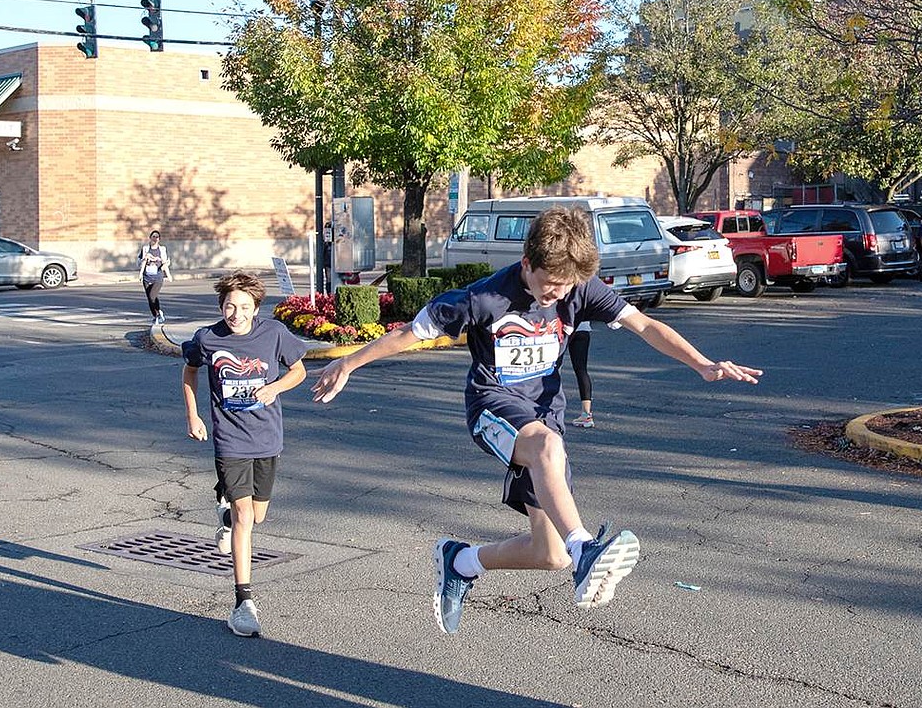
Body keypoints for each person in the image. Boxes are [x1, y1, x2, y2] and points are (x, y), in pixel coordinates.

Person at [312, 207, 762, 636]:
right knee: (548, 453)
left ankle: (460, 562)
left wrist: (701, 364)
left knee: (549, 554)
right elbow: (409, 334)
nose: (558, 296)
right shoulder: (483, 299)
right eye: (550, 285)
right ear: (527, 263)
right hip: (493, 408)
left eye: (566, 288)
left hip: (547, 416)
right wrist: (350, 363)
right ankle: (586, 548)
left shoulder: (579, 288)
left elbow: (644, 325)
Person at [181, 271, 308, 638]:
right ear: (221, 306)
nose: (235, 314)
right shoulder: (207, 338)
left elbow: (298, 370)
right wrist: (193, 415)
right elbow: (189, 373)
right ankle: (243, 603)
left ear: (256, 309)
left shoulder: (273, 334)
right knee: (244, 518)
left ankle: (224, 509)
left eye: (243, 308)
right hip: (230, 439)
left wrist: (275, 388)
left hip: (267, 438)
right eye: (229, 307)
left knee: (258, 515)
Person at [138, 229, 170, 323]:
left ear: (159, 239)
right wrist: (145, 259)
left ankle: (158, 314)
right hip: (147, 276)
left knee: (152, 296)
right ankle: (156, 315)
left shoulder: (162, 249)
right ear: (150, 238)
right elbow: (139, 262)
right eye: (153, 236)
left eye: (157, 237)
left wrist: (167, 270)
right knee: (150, 298)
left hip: (158, 276)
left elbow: (166, 262)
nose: (155, 238)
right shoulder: (145, 249)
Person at [568, 321, 595, 428]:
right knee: (581, 370)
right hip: (583, 328)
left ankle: (547, 412)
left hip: (563, 329)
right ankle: (586, 414)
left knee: (553, 369)